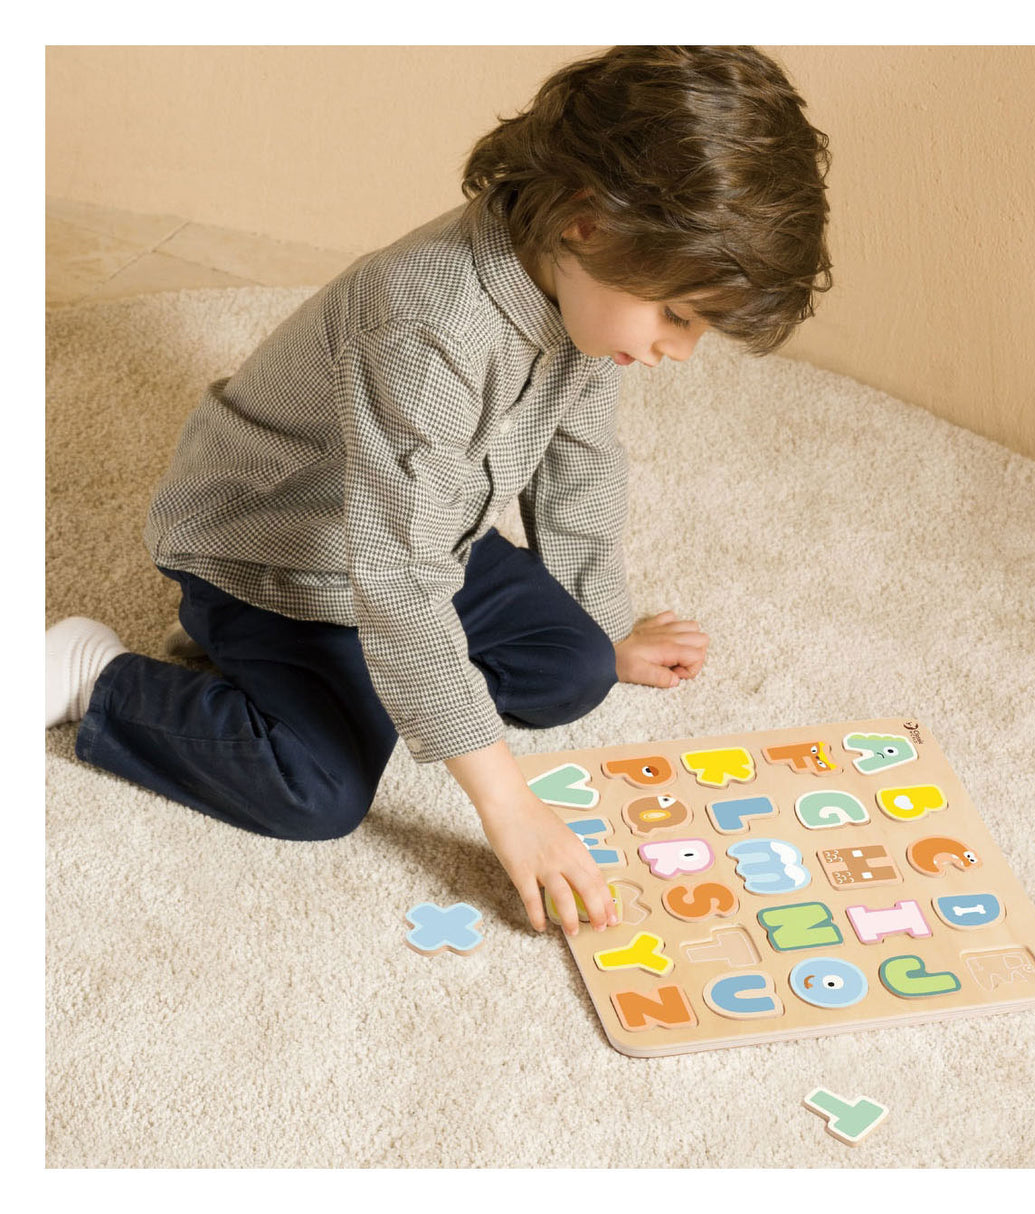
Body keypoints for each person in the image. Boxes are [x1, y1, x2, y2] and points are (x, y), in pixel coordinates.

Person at [45, 45, 832, 939]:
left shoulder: (580, 291)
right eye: (677, 318)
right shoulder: (428, 320)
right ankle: (94, 676)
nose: (677, 351)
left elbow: (581, 461)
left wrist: (605, 618)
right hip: (271, 553)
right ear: (585, 220)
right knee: (320, 789)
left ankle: (394, 681)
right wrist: (508, 805)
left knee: (575, 667)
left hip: (424, 533)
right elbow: (398, 583)